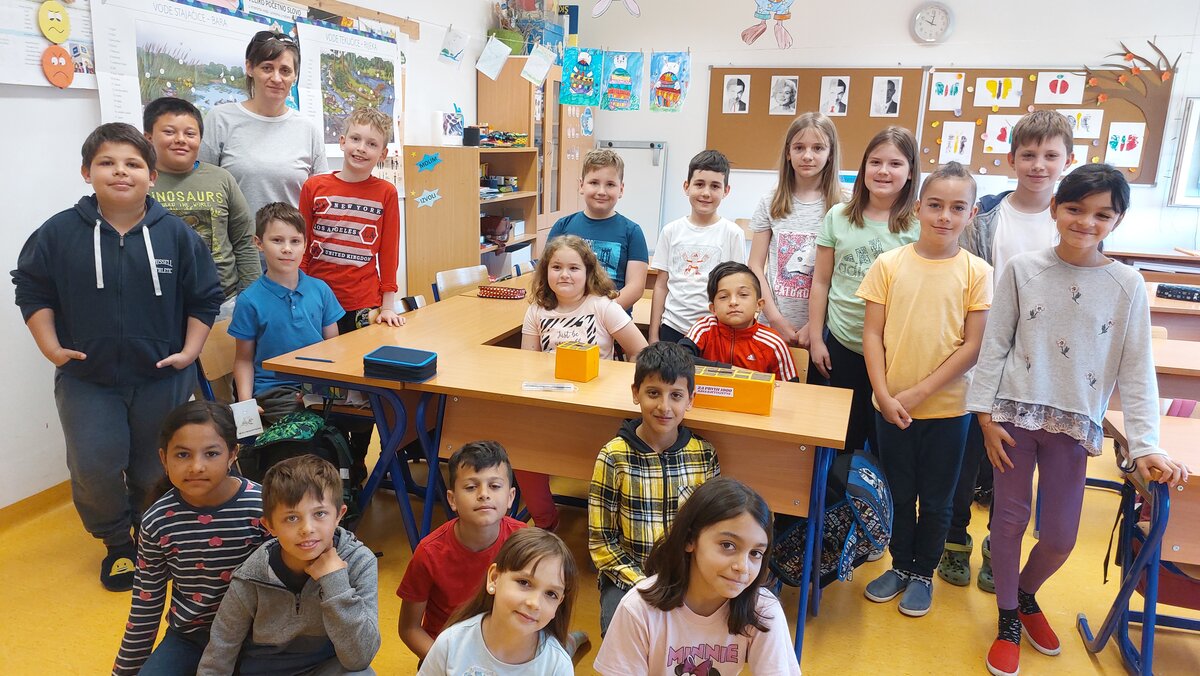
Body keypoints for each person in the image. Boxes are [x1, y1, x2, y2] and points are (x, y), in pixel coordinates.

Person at [966, 164, 1190, 676]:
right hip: (1013, 418)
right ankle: (1007, 617)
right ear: (1055, 209)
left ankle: (1026, 593)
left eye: (1102, 214)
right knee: (1008, 521)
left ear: (1118, 220)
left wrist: (1146, 444)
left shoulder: (1127, 284)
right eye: (1075, 208)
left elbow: (1137, 369)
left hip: (1074, 425)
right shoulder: (1022, 268)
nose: (1086, 221)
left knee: (1061, 536)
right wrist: (983, 416)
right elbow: (994, 344)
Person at [13, 122, 223, 592]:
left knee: (156, 465)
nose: (121, 172)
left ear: (152, 175)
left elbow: (204, 297)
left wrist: (189, 352)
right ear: (86, 172)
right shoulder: (59, 232)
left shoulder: (177, 235)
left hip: (163, 377)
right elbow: (31, 288)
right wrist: (50, 348)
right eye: (107, 162)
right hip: (86, 379)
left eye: (133, 164)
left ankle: (152, 536)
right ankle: (116, 543)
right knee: (94, 466)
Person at [940, 110, 1075, 593]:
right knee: (964, 457)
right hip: (980, 354)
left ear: (1067, 161)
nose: (1038, 165)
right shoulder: (987, 217)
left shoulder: (1070, 220)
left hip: (1036, 366)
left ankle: (999, 547)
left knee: (1010, 463)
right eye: (1029, 154)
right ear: (1012, 158)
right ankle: (954, 540)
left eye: (1050, 156)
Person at [857, 162, 992, 617]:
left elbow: (972, 346)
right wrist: (884, 394)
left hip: (948, 411)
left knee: (937, 500)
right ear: (917, 208)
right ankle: (899, 566)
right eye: (935, 205)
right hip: (889, 406)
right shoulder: (889, 264)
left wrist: (915, 395)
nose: (944, 216)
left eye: (957, 208)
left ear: (972, 214)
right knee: (897, 493)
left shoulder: (977, 272)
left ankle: (922, 574)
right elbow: (871, 334)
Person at [113, 401, 267, 675]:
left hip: (258, 636)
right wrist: (125, 672)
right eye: (183, 455)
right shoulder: (157, 521)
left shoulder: (264, 507)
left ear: (233, 454)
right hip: (191, 637)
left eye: (211, 453)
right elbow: (146, 604)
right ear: (164, 459)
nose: (196, 466)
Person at [593, 477, 800, 675]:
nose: (743, 567)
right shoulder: (638, 610)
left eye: (755, 553)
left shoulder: (763, 610)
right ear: (690, 539)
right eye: (727, 545)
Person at [198, 455, 380, 674]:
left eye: (320, 513)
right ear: (270, 526)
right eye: (292, 518)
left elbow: (359, 658)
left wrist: (335, 582)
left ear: (339, 515)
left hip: (324, 667)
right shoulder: (251, 576)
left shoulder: (360, 562)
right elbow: (221, 648)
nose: (307, 529)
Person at [589, 342, 720, 636]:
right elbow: (601, 543)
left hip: (685, 577)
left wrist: (687, 581)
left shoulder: (704, 455)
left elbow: (710, 531)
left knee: (689, 641)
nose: (664, 406)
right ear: (635, 393)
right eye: (653, 393)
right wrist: (643, 584)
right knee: (619, 638)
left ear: (690, 399)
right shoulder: (613, 456)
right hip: (627, 577)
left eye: (676, 395)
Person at [518, 234, 648, 530]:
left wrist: (618, 385)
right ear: (545, 272)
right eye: (556, 267)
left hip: (596, 407)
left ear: (588, 272)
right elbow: (527, 362)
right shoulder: (536, 310)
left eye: (574, 268)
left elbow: (640, 352)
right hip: (552, 402)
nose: (564, 274)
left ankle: (606, 524)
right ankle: (546, 521)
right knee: (522, 447)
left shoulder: (603, 306)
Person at [808, 126, 920, 455]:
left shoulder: (918, 225)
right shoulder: (838, 217)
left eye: (895, 164)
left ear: (910, 171)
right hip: (843, 345)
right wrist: (816, 338)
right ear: (864, 167)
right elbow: (821, 281)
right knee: (846, 439)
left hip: (893, 353)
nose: (883, 171)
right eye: (875, 162)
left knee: (888, 441)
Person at [397, 441, 526, 661]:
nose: (484, 494)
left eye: (495, 486)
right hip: (447, 655)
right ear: (452, 499)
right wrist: (450, 664)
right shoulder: (429, 553)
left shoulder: (523, 541)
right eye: (471, 487)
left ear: (510, 497)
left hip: (506, 652)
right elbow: (410, 629)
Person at [747, 113, 844, 380]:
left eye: (818, 148)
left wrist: (815, 325)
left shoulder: (844, 206)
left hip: (824, 331)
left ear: (830, 154)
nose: (807, 156)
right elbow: (755, 265)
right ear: (788, 153)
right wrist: (774, 317)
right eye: (799, 147)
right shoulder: (770, 202)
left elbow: (841, 276)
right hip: (772, 324)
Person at [144, 97, 259, 315]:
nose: (180, 140)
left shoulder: (221, 179)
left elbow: (244, 240)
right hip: (160, 305)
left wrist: (251, 296)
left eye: (190, 134)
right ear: (148, 137)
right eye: (169, 132)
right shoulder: (140, 182)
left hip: (224, 302)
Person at [230, 203, 343, 423]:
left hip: (318, 383)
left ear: (305, 244)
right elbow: (243, 359)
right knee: (309, 429)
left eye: (295, 241)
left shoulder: (321, 290)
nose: (287, 249)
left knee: (369, 411)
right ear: (258, 243)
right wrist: (245, 402)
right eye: (277, 240)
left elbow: (334, 348)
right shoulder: (249, 300)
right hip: (275, 390)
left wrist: (319, 387)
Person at [199, 30, 328, 216]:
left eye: (285, 70)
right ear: (250, 68)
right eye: (267, 68)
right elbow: (202, 190)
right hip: (234, 235)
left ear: (295, 76)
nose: (276, 78)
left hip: (292, 236)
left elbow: (321, 200)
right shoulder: (220, 119)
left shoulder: (308, 130)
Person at [418, 528, 581, 675]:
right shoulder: (451, 643)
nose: (535, 603)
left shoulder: (558, 666)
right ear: (494, 578)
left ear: (559, 603)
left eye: (551, 594)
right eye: (524, 582)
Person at [300, 107, 404, 331]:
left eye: (372, 144)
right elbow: (302, 246)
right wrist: (298, 292)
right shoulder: (313, 187)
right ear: (342, 141)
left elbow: (389, 253)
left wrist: (388, 306)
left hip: (363, 302)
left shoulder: (386, 193)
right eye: (355, 139)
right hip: (316, 299)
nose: (361, 148)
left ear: (383, 154)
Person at [649, 149, 745, 345]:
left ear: (726, 191)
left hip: (715, 329)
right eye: (699, 184)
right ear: (686, 187)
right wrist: (653, 334)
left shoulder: (733, 233)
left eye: (715, 186)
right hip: (672, 327)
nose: (706, 193)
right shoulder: (670, 231)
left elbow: (736, 287)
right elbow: (660, 285)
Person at [547, 149, 648, 312]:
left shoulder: (632, 232)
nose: (601, 191)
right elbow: (548, 273)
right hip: (567, 316)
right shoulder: (562, 226)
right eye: (594, 183)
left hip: (612, 319)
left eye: (610, 184)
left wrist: (602, 313)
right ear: (581, 185)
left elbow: (635, 287)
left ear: (621, 189)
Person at [682, 262, 798, 382]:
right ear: (713, 309)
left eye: (743, 294)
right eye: (723, 297)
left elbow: (792, 387)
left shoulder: (773, 343)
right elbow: (679, 360)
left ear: (759, 305)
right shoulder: (704, 328)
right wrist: (731, 371)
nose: (733, 302)